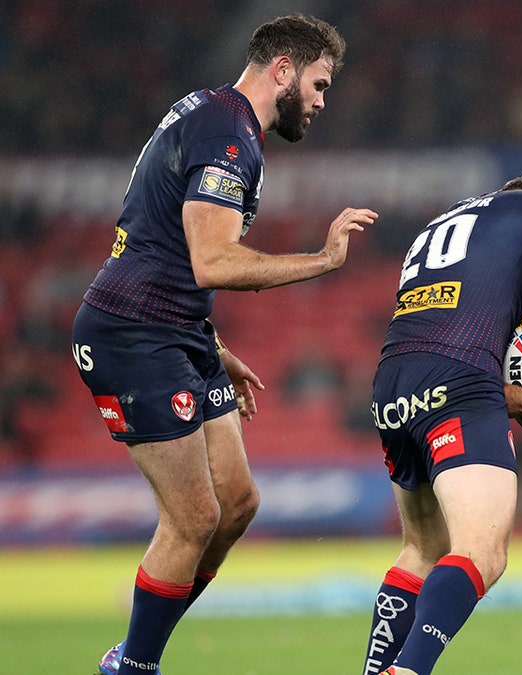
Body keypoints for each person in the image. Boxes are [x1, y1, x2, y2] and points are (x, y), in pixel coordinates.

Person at [69, 14, 376, 675]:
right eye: (319, 84)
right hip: (132, 332)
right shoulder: (229, 136)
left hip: (177, 329)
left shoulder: (210, 113)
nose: (322, 102)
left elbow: (163, 239)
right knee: (193, 516)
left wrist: (209, 340)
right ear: (283, 70)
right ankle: (134, 666)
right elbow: (212, 261)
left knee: (236, 501)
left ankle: (135, 648)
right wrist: (322, 260)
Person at [363, 174, 522, 675]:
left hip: (390, 383)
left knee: (422, 551)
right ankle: (409, 670)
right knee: (483, 552)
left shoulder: (441, 226)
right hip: (461, 377)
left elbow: (438, 347)